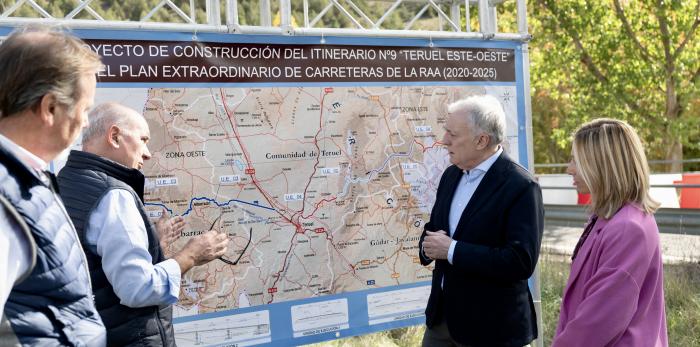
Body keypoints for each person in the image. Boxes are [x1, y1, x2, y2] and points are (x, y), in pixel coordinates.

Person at [56, 102, 230, 346]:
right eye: (143, 139)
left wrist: (151, 242)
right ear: (115, 136)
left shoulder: (66, 180)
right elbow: (136, 289)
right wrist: (191, 255)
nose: (147, 153)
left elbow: (91, 260)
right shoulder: (113, 195)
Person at [0, 27, 107, 345]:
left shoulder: (25, 178)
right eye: (84, 109)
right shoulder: (6, 194)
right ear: (49, 108)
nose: (86, 122)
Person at [418, 95, 543, 347]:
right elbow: (435, 229)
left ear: (481, 140)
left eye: (453, 134)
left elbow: (520, 261)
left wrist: (451, 250)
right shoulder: (451, 175)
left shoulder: (520, 186)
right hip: (442, 321)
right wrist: (428, 246)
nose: (444, 141)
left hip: (491, 328)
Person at [552, 119, 668, 346]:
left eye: (576, 160)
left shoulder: (627, 228)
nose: (569, 169)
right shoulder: (610, 217)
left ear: (602, 165)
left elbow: (597, 322)